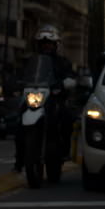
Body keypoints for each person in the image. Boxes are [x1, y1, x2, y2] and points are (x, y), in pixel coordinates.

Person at [13, 24, 75, 174]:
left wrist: (66, 83)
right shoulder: (30, 60)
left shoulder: (62, 62)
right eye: (43, 43)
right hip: (34, 96)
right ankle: (20, 159)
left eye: (49, 43)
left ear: (55, 45)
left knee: (66, 117)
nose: (46, 46)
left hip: (53, 97)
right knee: (18, 121)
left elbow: (70, 76)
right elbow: (20, 75)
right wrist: (15, 82)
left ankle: (64, 152)